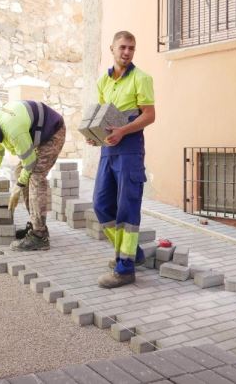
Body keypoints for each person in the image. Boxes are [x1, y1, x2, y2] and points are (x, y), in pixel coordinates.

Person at [90, 31, 156, 289]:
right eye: (123, 47)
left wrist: (122, 132)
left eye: (131, 48)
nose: (127, 52)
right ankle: (131, 253)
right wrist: (95, 137)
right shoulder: (103, 82)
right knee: (101, 204)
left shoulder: (142, 79)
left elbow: (149, 116)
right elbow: (104, 118)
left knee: (127, 209)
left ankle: (125, 268)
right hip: (108, 151)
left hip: (129, 151)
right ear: (112, 49)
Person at [0, 100, 65, 251]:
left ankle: (39, 236)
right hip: (34, 132)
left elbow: (29, 163)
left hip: (52, 132)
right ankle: (35, 224)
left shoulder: (14, 131)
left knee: (35, 177)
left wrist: (18, 186)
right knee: (18, 172)